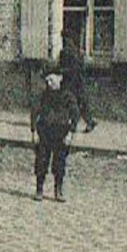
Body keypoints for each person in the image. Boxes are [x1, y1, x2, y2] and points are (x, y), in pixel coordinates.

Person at [30, 68, 80, 202]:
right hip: (44, 131)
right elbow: (34, 112)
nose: (49, 83)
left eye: (51, 79)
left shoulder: (67, 96)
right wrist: (34, 131)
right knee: (41, 161)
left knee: (60, 162)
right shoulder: (43, 95)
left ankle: (58, 190)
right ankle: (39, 189)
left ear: (60, 78)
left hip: (61, 132)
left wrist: (71, 133)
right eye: (47, 80)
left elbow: (75, 114)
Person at [58, 35, 97, 131]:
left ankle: (75, 124)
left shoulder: (65, 53)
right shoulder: (79, 53)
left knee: (71, 103)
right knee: (81, 102)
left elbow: (63, 68)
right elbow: (82, 68)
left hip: (70, 82)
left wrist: (62, 71)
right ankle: (89, 121)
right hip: (78, 81)